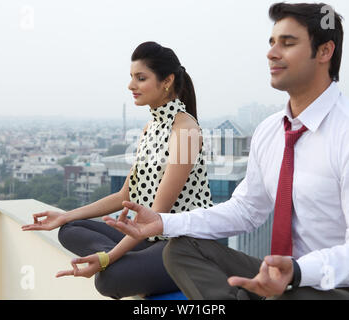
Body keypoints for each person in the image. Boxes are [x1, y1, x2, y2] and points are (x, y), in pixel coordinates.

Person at [103, 3, 349, 300]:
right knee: (182, 249)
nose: (272, 53)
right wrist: (165, 221)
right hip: (286, 279)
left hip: (348, 289)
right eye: (272, 42)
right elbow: (246, 210)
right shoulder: (270, 131)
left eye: (287, 43)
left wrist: (298, 272)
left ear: (325, 52)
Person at [21, 41, 213, 299]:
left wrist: (106, 258)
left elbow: (157, 215)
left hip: (181, 245)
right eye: (131, 77)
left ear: (166, 81)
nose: (131, 86)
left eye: (140, 78)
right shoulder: (151, 128)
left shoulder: (185, 130)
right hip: (145, 237)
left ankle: (121, 259)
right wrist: (64, 215)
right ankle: (127, 257)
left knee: (109, 281)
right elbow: (126, 194)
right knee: (70, 228)